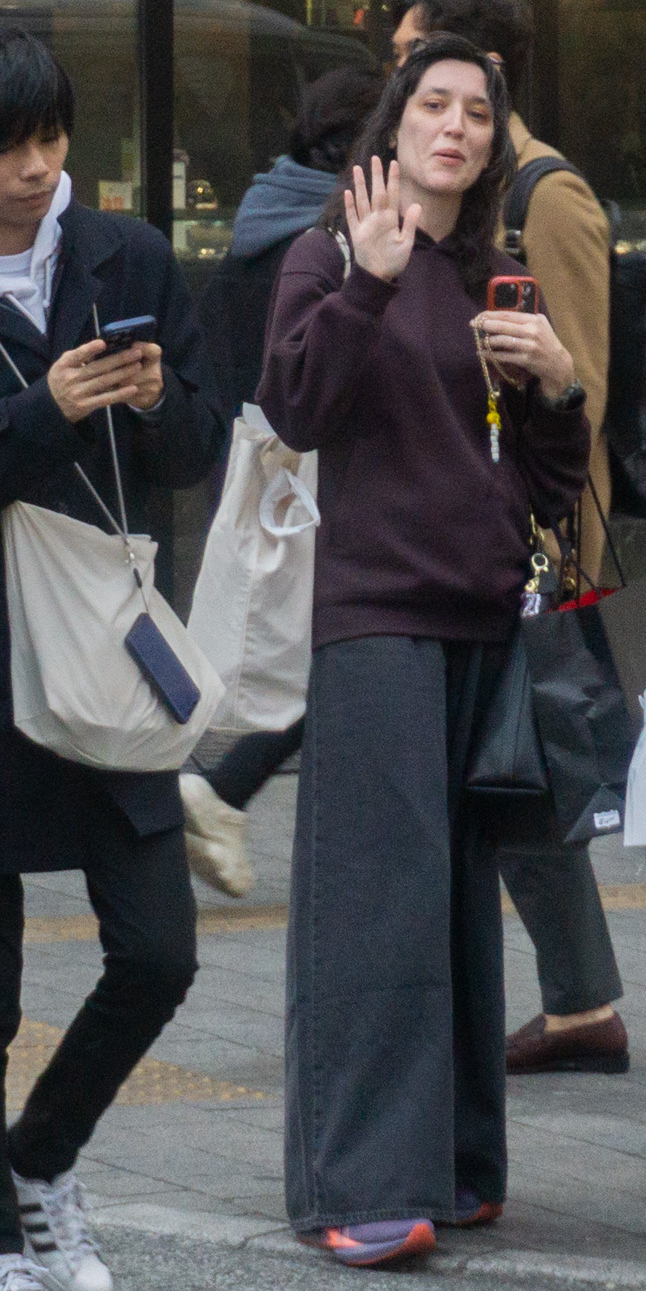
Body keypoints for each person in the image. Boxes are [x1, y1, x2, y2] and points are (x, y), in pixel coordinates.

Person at [0, 21, 228, 1291]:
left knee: (159, 949)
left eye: (50, 138)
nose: (37, 168)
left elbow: (196, 447)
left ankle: (41, 1154)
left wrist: (151, 400)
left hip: (109, 650)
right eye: (4, 147)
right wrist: (50, 410)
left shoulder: (125, 254)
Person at [256, 36, 590, 1267]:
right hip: (378, 616)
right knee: (374, 908)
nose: (456, 126)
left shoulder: (501, 277)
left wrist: (560, 386)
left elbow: (548, 485)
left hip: (485, 619)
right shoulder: (331, 254)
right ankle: (358, 1182)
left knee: (456, 909)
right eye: (434, 105)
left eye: (479, 113)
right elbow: (296, 409)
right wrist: (368, 285)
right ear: (393, 127)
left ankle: (455, 1164)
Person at [388, 0, 633, 1080]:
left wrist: (552, 544)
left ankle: (581, 1003)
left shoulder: (546, 196)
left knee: (525, 759)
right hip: (458, 526)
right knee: (515, 765)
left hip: (531, 534)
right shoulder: (431, 189)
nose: (402, 79)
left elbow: (578, 380)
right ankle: (580, 1001)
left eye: (416, 56)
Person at [177, 62, 384, 898]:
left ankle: (220, 790)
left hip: (257, 457)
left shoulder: (262, 211)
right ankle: (220, 789)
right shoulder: (337, 238)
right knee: (335, 646)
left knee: (305, 646)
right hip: (320, 473)